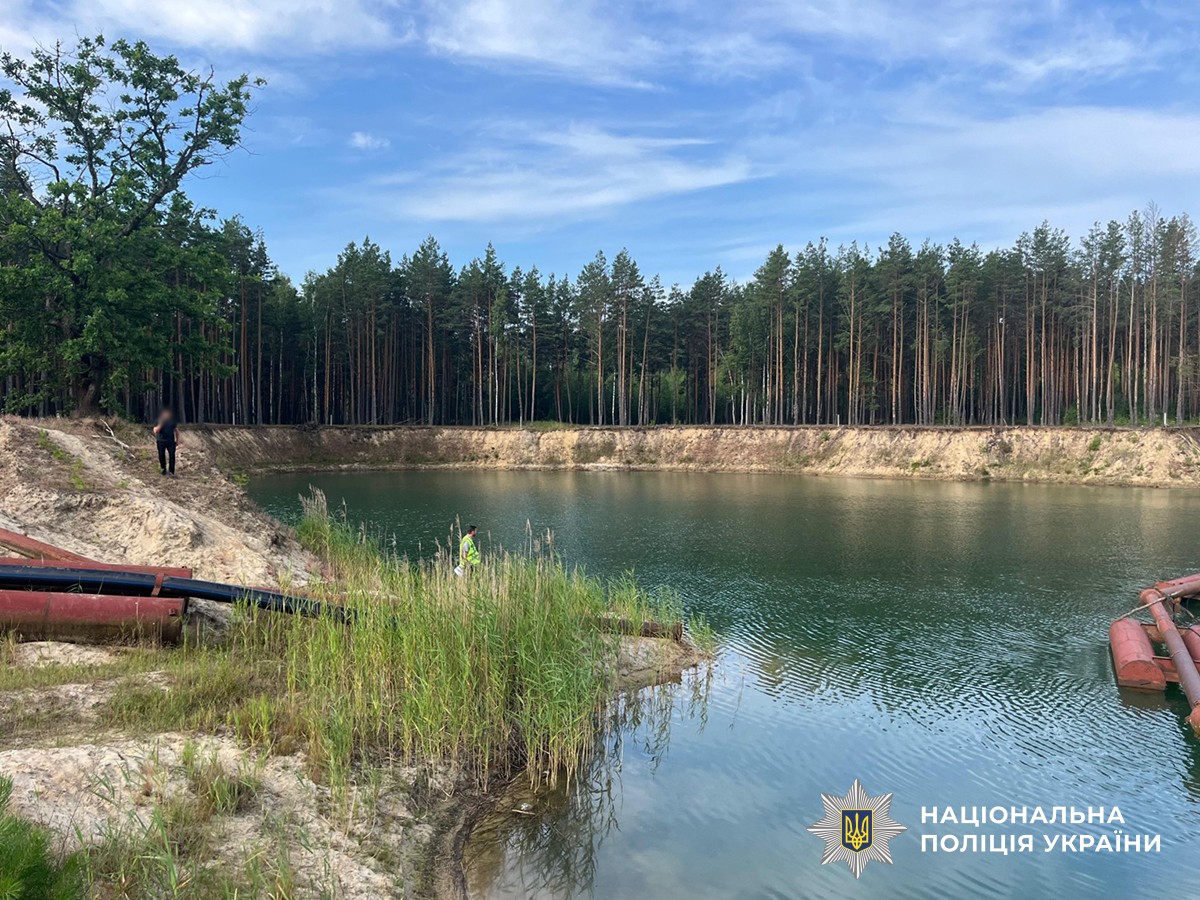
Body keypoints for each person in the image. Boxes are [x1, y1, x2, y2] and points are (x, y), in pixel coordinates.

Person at [153, 407, 179, 476]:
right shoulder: (158, 421)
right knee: (161, 456)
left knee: (172, 456)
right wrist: (161, 424)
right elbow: (155, 430)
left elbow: (176, 431)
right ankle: (163, 470)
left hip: (171, 441)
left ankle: (171, 471)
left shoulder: (172, 421)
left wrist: (177, 440)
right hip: (161, 441)